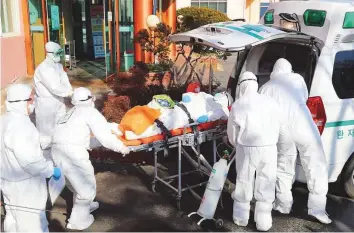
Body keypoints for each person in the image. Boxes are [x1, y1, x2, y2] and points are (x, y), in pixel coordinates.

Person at [259, 58, 331, 224]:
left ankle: (283, 205)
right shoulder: (297, 79)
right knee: (315, 165)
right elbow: (305, 97)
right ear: (289, 69)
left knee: (284, 165)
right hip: (303, 124)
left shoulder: (265, 88)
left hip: (282, 129)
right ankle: (317, 210)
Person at [51, 87, 130, 230]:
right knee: (86, 188)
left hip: (57, 153)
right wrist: (121, 147)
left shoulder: (69, 114)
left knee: (75, 184)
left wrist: (102, 140)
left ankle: (86, 205)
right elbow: (105, 136)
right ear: (89, 99)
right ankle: (77, 221)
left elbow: (81, 139)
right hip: (73, 155)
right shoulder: (90, 112)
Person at [227, 72, 289, 231]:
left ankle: (241, 218)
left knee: (244, 181)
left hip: (247, 149)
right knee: (266, 182)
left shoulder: (238, 105)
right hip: (269, 148)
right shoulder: (271, 102)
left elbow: (232, 135)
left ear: (242, 85)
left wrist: (238, 144)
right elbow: (281, 122)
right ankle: (263, 222)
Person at [1, 84, 61, 232]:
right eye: (31, 100)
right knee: (33, 225)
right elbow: (30, 162)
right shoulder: (21, 126)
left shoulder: (4, 120)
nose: (33, 103)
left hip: (7, 182)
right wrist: (51, 170)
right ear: (21, 102)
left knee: (13, 219)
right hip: (26, 186)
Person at [33, 41, 73, 159]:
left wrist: (70, 91)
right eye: (57, 53)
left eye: (60, 53)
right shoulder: (43, 68)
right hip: (46, 103)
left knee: (60, 126)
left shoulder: (59, 66)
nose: (59, 56)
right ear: (49, 53)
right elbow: (54, 87)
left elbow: (65, 81)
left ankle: (59, 155)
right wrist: (69, 93)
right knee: (46, 133)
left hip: (59, 101)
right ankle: (46, 161)